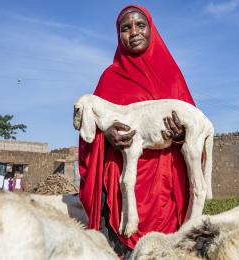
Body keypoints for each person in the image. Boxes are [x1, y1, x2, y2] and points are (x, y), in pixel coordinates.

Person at [78, 4, 196, 258]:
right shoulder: (109, 78)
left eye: (140, 25)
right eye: (125, 28)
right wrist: (105, 135)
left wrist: (181, 135)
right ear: (118, 35)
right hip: (121, 185)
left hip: (164, 187)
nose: (133, 32)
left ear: (151, 29)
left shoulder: (172, 76)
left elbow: (194, 126)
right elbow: (89, 130)